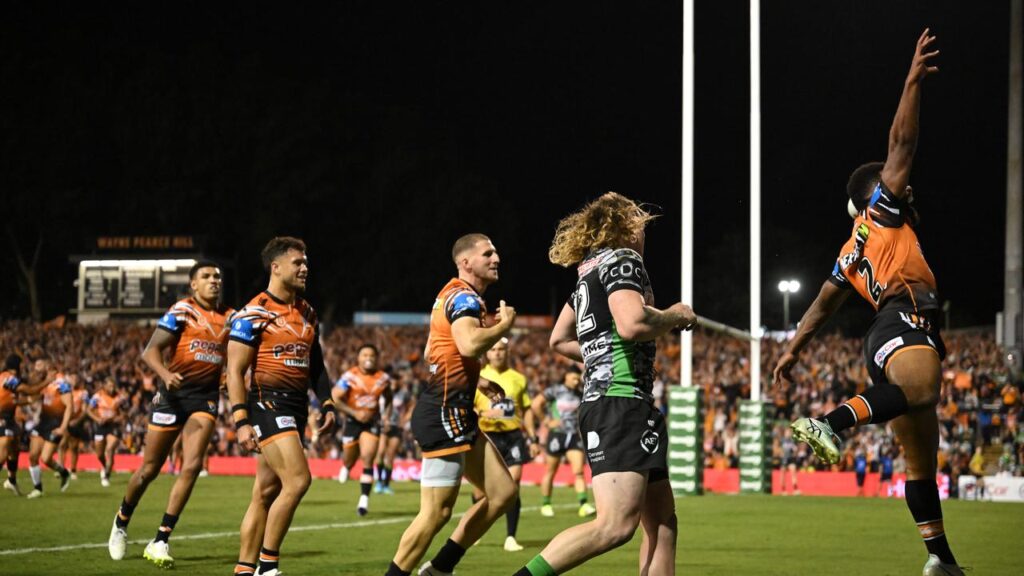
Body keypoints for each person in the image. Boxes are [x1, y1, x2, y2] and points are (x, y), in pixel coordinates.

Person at [772, 30, 964, 575]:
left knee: (921, 460)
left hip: (885, 332)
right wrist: (911, 81)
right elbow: (902, 143)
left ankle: (941, 561)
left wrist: (794, 350)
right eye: (893, 181)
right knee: (921, 392)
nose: (905, 186)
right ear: (873, 192)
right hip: (904, 317)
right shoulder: (881, 209)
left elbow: (821, 306)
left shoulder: (849, 251)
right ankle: (830, 423)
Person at [514, 192, 696, 576]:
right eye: (640, 224)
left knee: (662, 522)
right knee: (614, 526)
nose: (644, 233)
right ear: (626, 227)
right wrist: (675, 314)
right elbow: (632, 324)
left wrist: (601, 357)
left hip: (624, 402)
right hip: (620, 401)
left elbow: (559, 340)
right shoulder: (624, 260)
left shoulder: (587, 272)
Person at [385, 233, 517, 576]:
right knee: (436, 513)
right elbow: (470, 345)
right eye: (488, 253)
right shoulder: (464, 298)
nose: (496, 258)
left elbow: (432, 350)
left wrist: (477, 380)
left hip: (456, 411)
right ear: (466, 262)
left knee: (502, 493)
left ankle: (440, 568)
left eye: (496, 252)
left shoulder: (452, 295)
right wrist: (504, 325)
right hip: (444, 412)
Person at [107, 261, 234, 568]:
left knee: (192, 466)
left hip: (204, 399)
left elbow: (237, 352)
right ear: (193, 284)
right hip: (172, 397)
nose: (213, 281)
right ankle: (121, 521)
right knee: (149, 469)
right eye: (206, 276)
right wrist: (165, 374)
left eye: (217, 277)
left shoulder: (232, 316)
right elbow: (150, 351)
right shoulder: (182, 311)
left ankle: (161, 539)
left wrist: (229, 372)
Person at [227, 237, 336, 576]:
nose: (305, 268)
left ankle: (244, 569)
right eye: (297, 263)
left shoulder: (307, 312)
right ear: (275, 268)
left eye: (306, 263)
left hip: (297, 408)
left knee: (265, 492)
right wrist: (241, 420)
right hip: (268, 404)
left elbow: (316, 364)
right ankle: (268, 566)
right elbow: (234, 371)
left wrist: (327, 402)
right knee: (299, 480)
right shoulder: (253, 313)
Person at [472, 338, 539, 552]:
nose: (497, 353)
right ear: (487, 353)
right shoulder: (477, 377)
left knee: (513, 485)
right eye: (493, 349)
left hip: (513, 436)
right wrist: (483, 413)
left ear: (507, 352)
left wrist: (533, 438)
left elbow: (526, 410)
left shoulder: (518, 378)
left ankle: (511, 536)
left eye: (501, 349)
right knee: (480, 491)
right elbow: (467, 406)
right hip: (485, 436)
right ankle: (474, 530)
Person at [333, 343, 392, 516]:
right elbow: (335, 397)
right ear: (358, 358)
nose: (368, 358)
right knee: (349, 457)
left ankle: (363, 500)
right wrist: (354, 413)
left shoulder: (383, 378)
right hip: (352, 421)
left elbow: (389, 397)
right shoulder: (349, 376)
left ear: (377, 358)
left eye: (372, 355)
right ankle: (347, 466)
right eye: (365, 355)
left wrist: (386, 416)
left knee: (368, 457)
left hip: (372, 422)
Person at [532, 367, 595, 518]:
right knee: (551, 471)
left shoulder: (580, 393)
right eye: (573, 378)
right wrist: (546, 421)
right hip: (557, 435)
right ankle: (546, 504)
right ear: (566, 376)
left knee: (579, 471)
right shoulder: (555, 391)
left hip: (573, 436)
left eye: (577, 378)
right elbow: (536, 404)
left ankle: (583, 504)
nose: (576, 381)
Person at [26, 366, 73, 498]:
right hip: (42, 423)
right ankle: (38, 488)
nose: (39, 369)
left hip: (55, 425)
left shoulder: (62, 384)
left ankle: (64, 472)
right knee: (33, 456)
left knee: (46, 458)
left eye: (41, 367)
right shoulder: (45, 382)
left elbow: (70, 405)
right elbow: (34, 395)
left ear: (53, 370)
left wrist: (63, 427)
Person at [376, 375, 413, 495]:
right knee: (380, 452)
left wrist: (405, 419)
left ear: (399, 382)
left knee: (390, 456)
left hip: (396, 427)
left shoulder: (404, 394)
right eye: (391, 381)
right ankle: (379, 482)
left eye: (395, 381)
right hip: (382, 426)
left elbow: (412, 406)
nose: (393, 383)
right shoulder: (381, 392)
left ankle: (386, 485)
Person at [89, 376, 127, 487]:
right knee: (100, 455)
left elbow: (124, 415)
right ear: (104, 386)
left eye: (113, 386)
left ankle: (106, 476)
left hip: (113, 426)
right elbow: (88, 410)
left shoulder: (119, 398)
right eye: (109, 386)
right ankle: (106, 467)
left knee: (109, 450)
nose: (112, 388)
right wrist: (97, 419)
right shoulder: (97, 396)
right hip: (101, 426)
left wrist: (113, 419)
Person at [58, 376, 92, 480]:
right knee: (62, 444)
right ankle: (61, 469)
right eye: (72, 379)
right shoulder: (64, 391)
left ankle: (73, 470)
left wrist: (77, 421)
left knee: (73, 447)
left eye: (76, 379)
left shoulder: (83, 393)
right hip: (65, 421)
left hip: (76, 422)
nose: (74, 381)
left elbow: (85, 410)